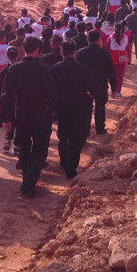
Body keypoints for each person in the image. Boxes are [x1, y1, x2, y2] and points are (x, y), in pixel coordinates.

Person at [0, 37, 58, 197]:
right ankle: (28, 184)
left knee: (24, 149)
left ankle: (28, 180)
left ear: (23, 49)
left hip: (22, 114)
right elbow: (51, 94)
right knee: (39, 150)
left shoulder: (13, 69)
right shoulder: (43, 69)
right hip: (40, 114)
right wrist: (50, 107)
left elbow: (6, 95)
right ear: (39, 50)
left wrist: (6, 118)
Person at [51, 40, 97, 178]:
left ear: (61, 53)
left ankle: (64, 162)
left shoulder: (54, 68)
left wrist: (53, 107)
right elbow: (94, 87)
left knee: (63, 135)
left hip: (61, 106)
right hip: (79, 106)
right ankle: (71, 169)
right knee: (76, 138)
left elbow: (50, 90)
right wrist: (89, 97)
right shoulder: (83, 68)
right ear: (75, 52)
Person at [76, 30, 117, 135]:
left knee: (86, 109)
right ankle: (100, 129)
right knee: (100, 107)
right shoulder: (104, 53)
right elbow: (110, 71)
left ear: (87, 40)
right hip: (101, 84)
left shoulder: (80, 53)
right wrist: (114, 88)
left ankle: (85, 131)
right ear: (99, 40)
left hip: (85, 86)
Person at [0, 46, 19, 153]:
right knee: (18, 121)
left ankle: (8, 140)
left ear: (7, 56)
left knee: (9, 120)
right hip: (18, 99)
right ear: (17, 56)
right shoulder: (20, 68)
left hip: (7, 98)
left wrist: (1, 100)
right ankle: (18, 145)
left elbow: (1, 87)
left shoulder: (4, 70)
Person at [107, 23, 130, 97]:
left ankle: (113, 90)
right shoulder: (125, 38)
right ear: (121, 29)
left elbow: (107, 49)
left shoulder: (110, 38)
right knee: (120, 76)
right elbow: (128, 48)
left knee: (112, 76)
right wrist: (128, 57)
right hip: (122, 59)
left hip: (112, 59)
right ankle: (118, 91)